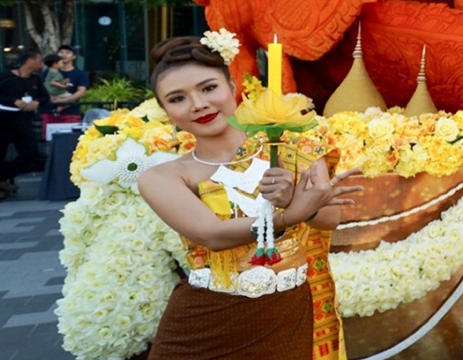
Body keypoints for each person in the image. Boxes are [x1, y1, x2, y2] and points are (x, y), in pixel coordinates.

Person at [135, 37, 361, 358]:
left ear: (231, 85)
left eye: (208, 88)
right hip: (205, 319)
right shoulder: (162, 176)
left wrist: (294, 198)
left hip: (284, 314)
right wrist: (288, 215)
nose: (198, 104)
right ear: (165, 110)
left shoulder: (293, 148)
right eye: (177, 98)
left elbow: (329, 219)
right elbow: (211, 235)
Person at [0, 52, 48, 199]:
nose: (41, 64)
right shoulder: (4, 77)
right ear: (30, 60)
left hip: (22, 122)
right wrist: (13, 101)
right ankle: (0, 185)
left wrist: (37, 102)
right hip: (0, 122)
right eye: (39, 61)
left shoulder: (35, 79)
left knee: (30, 153)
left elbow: (45, 97)